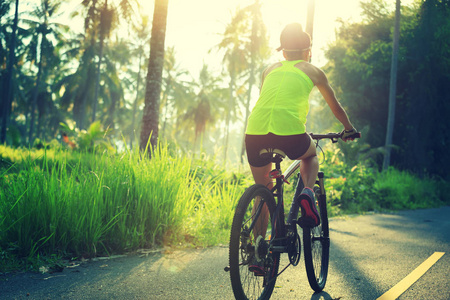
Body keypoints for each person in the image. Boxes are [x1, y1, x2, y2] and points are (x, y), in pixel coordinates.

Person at [245, 23, 357, 272]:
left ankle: (257, 252)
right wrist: (348, 129)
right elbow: (335, 107)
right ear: (308, 50)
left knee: (263, 189)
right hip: (290, 133)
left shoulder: (268, 69)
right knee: (310, 155)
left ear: (283, 52)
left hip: (254, 132)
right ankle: (307, 192)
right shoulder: (314, 71)